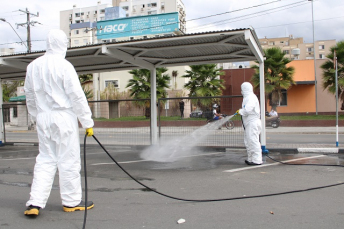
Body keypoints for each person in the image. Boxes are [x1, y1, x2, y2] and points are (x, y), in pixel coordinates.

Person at [24, 29, 94, 217]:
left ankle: (34, 203)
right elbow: (76, 96)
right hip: (63, 118)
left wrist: (35, 117)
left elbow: (29, 95)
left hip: (43, 117)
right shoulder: (64, 65)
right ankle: (71, 202)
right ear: (63, 44)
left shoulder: (32, 66)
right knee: (68, 160)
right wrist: (87, 122)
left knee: (45, 159)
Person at [236, 82, 262, 166]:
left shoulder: (251, 97)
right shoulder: (247, 98)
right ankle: (251, 159)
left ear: (245, 89)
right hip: (249, 123)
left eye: (242, 89)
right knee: (248, 141)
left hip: (252, 123)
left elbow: (247, 110)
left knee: (253, 141)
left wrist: (240, 111)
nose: (241, 91)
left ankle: (257, 160)